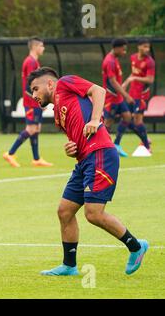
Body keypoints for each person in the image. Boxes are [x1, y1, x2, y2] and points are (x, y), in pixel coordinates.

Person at [28, 67, 148, 276]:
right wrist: (70, 149)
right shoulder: (57, 116)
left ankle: (136, 247)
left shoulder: (65, 82)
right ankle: (69, 265)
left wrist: (95, 119)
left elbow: (99, 91)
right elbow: (76, 140)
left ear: (49, 84)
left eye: (35, 89)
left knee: (93, 214)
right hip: (84, 161)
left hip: (101, 153)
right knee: (64, 211)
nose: (34, 95)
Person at [3, 37, 53, 168]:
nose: (43, 48)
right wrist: (39, 101)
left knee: (37, 128)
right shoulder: (30, 62)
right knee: (31, 129)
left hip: (34, 101)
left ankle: (36, 159)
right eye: (42, 46)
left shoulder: (34, 62)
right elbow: (29, 87)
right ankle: (10, 153)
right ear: (35, 47)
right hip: (31, 102)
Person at [102, 38, 145, 157]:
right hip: (111, 98)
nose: (124, 52)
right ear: (116, 48)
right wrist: (126, 95)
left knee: (127, 117)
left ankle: (116, 144)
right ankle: (103, 149)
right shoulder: (109, 61)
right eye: (123, 49)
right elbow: (113, 82)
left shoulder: (114, 59)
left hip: (118, 98)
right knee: (107, 124)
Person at [121, 38, 155, 153]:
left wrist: (134, 78)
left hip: (142, 96)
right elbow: (133, 73)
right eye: (145, 46)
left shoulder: (150, 62)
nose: (147, 49)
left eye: (148, 47)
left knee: (137, 121)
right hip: (131, 94)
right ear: (139, 47)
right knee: (126, 118)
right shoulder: (133, 58)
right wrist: (126, 82)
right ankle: (144, 138)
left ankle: (147, 147)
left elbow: (150, 80)